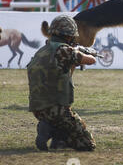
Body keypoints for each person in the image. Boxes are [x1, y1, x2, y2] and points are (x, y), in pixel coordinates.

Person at [27, 15, 97, 151]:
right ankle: (49, 130)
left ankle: (55, 135)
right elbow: (91, 60)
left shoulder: (42, 50)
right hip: (56, 110)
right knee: (87, 144)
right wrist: (82, 52)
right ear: (69, 35)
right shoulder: (64, 50)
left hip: (38, 109)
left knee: (66, 130)